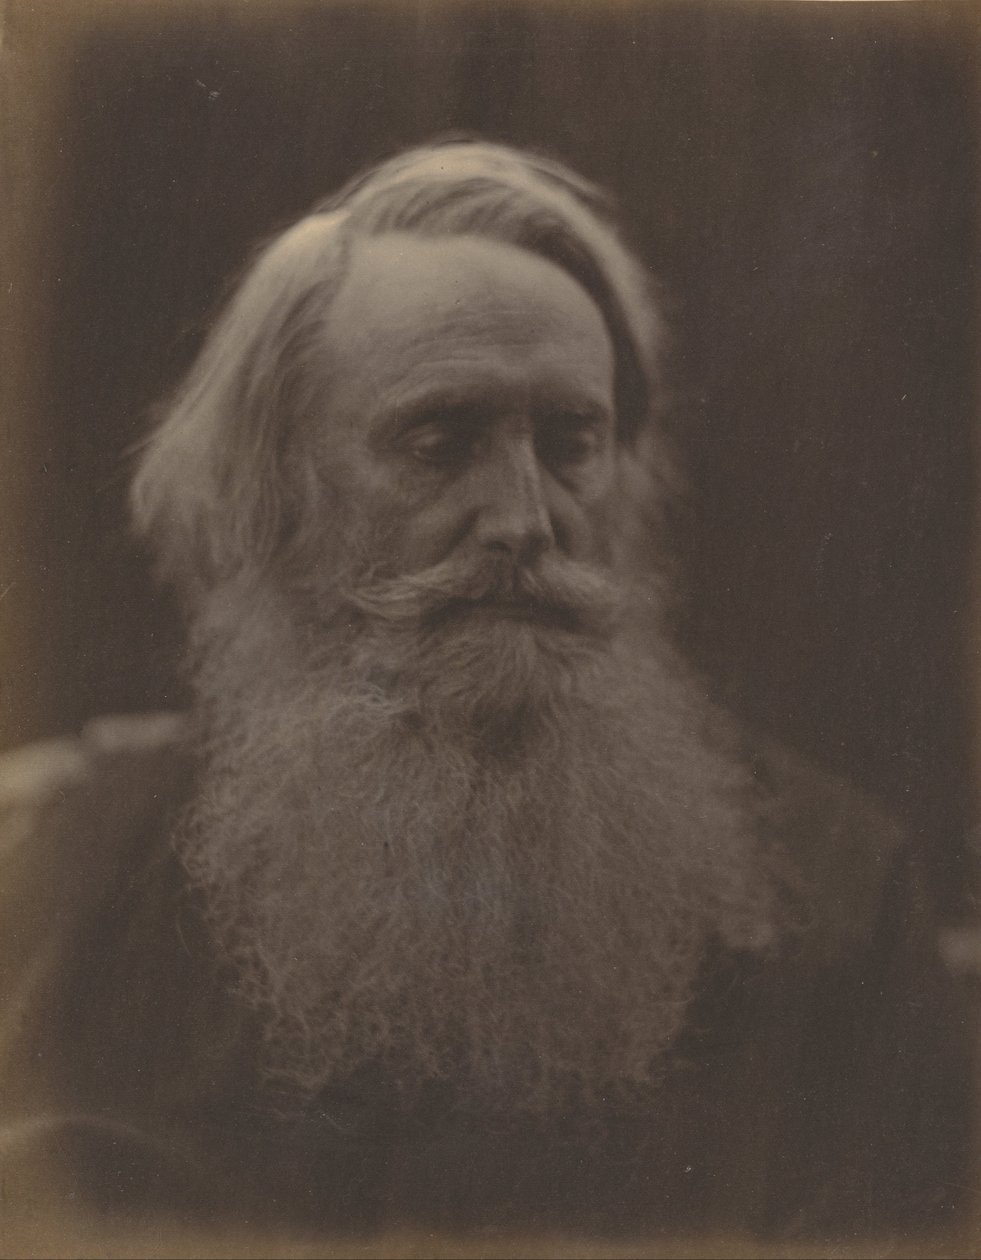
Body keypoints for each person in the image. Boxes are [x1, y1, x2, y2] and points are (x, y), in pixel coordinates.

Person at [0, 140, 970, 1243]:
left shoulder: (842, 904)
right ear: (278, 493)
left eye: (570, 443)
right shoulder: (79, 889)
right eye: (439, 440)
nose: (523, 519)